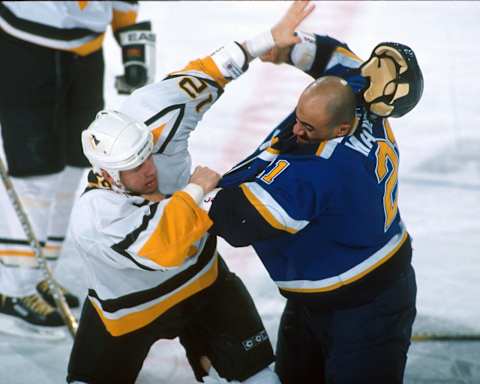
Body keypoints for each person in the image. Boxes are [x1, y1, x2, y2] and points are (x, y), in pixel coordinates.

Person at [67, 2, 314, 383]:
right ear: (107, 174)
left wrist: (267, 39)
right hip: (131, 310)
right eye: (134, 167)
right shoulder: (93, 218)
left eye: (147, 155)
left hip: (202, 280)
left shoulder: (157, 113)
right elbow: (165, 245)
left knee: (261, 376)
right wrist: (196, 187)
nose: (149, 170)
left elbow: (206, 72)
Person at [206, 35, 424, 383]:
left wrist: (193, 190)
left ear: (339, 129)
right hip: (321, 296)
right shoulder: (355, 95)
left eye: (307, 127)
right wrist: (288, 47)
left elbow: (235, 221)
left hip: (367, 309)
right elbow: (333, 56)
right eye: (299, 117)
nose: (296, 129)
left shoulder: (322, 172)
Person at [0, 1, 155, 335]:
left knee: (74, 167)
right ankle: (12, 289)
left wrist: (134, 52)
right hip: (25, 48)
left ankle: (39, 274)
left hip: (87, 55)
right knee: (35, 174)